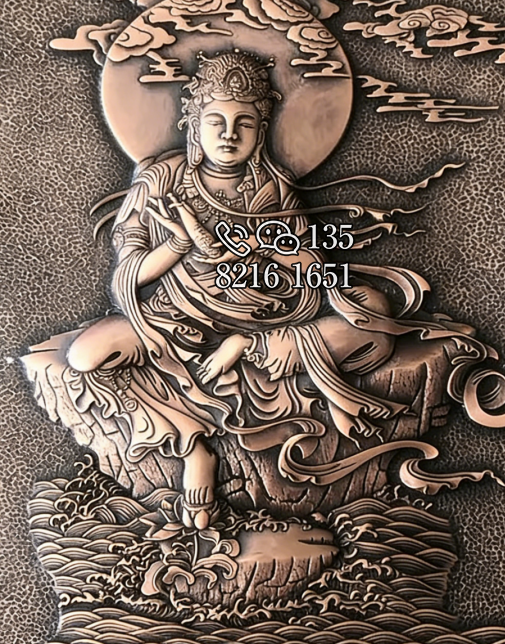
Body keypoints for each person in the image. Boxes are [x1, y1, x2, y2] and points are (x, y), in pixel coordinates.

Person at [60, 48, 405, 529]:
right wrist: (179, 244)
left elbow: (309, 268)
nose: (229, 134)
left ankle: (253, 350)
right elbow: (129, 274)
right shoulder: (161, 181)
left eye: (245, 123)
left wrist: (262, 249)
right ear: (193, 124)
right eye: (216, 121)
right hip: (174, 318)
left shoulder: (272, 189)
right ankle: (192, 444)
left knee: (377, 327)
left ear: (261, 131)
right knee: (85, 355)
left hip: (261, 322)